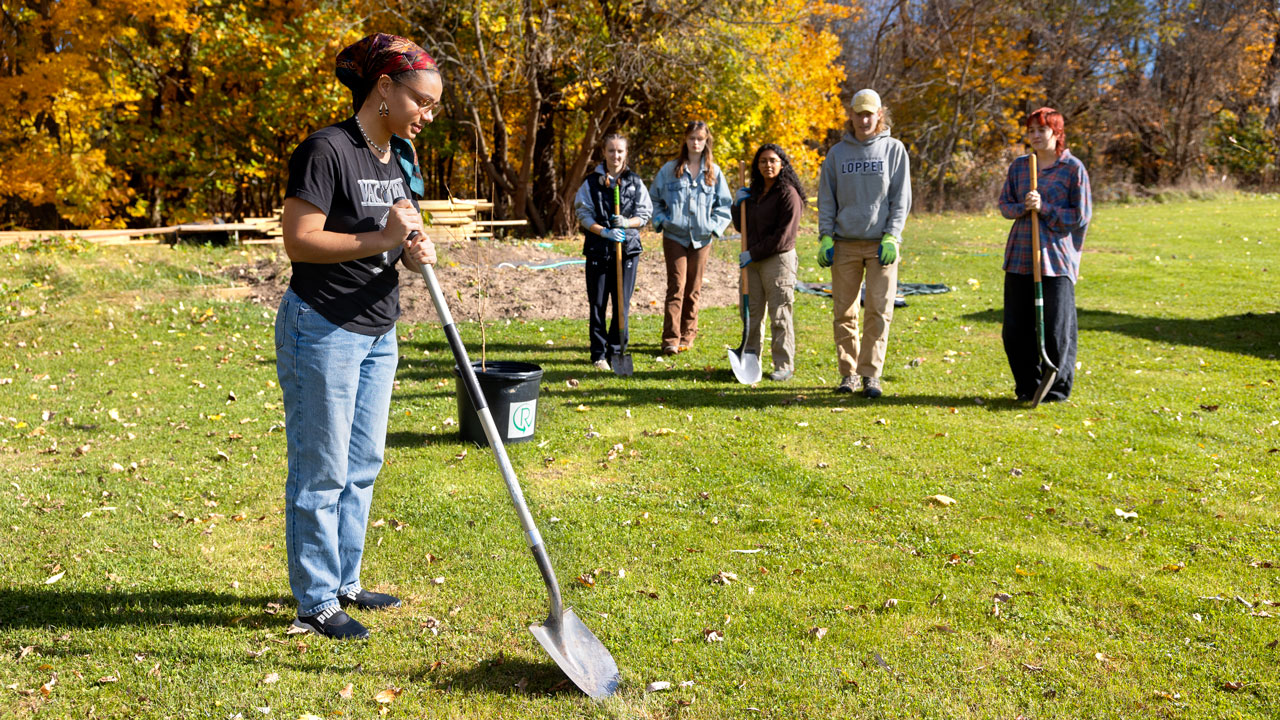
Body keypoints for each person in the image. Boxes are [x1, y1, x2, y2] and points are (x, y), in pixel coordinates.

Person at [276, 33, 439, 640]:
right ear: (385, 89)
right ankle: (315, 600)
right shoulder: (326, 149)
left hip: (377, 327)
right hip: (322, 326)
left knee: (362, 463)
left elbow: (391, 232)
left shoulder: (392, 158)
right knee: (321, 469)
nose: (427, 115)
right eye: (422, 101)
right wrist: (381, 239)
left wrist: (412, 248)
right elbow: (299, 239)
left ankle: (345, 580)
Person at [816, 88, 912, 398]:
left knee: (878, 310)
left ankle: (871, 374)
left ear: (880, 115)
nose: (864, 118)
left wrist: (892, 236)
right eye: (859, 113)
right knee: (844, 312)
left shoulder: (894, 151)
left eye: (870, 113)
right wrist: (825, 235)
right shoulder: (837, 154)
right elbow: (827, 198)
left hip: (880, 245)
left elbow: (901, 198)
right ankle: (849, 373)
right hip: (844, 243)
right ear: (851, 115)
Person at [998, 107, 1092, 402]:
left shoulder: (1072, 168)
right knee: (1015, 330)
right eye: (1031, 131)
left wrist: (1045, 208)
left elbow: (1080, 215)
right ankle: (1027, 385)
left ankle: (1057, 389)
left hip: (1055, 260)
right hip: (1020, 256)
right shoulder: (1020, 167)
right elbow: (1005, 206)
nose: (1036, 136)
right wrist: (1024, 206)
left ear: (1056, 133)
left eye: (1042, 130)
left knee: (1055, 329)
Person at [649, 121, 733, 355]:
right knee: (676, 286)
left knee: (693, 289)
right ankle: (671, 339)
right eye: (691, 138)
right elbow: (653, 199)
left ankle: (687, 335)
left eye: (700, 138)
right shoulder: (670, 170)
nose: (695, 142)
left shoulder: (714, 172)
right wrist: (662, 221)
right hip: (675, 237)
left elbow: (725, 205)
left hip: (701, 239)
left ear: (707, 141)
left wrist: (714, 228)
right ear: (685, 141)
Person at [573, 133, 653, 370]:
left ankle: (617, 350)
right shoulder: (591, 183)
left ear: (626, 154)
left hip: (627, 251)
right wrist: (604, 232)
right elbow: (583, 214)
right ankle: (599, 354)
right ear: (604, 153)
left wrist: (627, 223)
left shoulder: (635, 182)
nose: (615, 155)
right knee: (597, 303)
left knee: (621, 304)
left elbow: (645, 214)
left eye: (620, 151)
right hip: (599, 250)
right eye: (611, 150)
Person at [731, 143, 804, 381]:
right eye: (763, 161)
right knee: (750, 312)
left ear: (782, 163)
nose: (768, 165)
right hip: (752, 260)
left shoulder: (788, 193)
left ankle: (784, 365)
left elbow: (784, 237)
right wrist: (737, 204)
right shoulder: (755, 193)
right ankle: (750, 360)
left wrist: (754, 253)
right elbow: (741, 226)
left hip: (777, 260)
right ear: (757, 165)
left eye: (773, 160)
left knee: (780, 313)